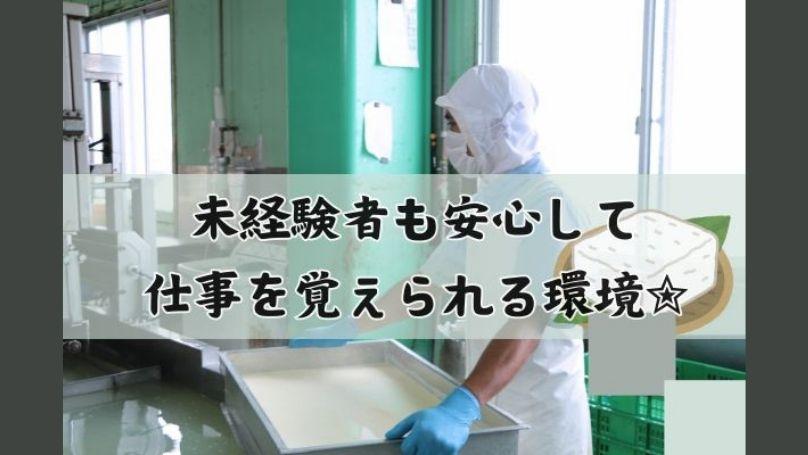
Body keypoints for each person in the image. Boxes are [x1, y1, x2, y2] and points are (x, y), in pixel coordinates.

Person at [291, 64, 592, 455]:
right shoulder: (491, 199)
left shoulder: (552, 205)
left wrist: (462, 404)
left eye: (455, 124)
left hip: (540, 410)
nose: (449, 137)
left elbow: (529, 322)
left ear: (490, 125)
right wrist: (351, 324)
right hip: (491, 398)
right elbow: (431, 285)